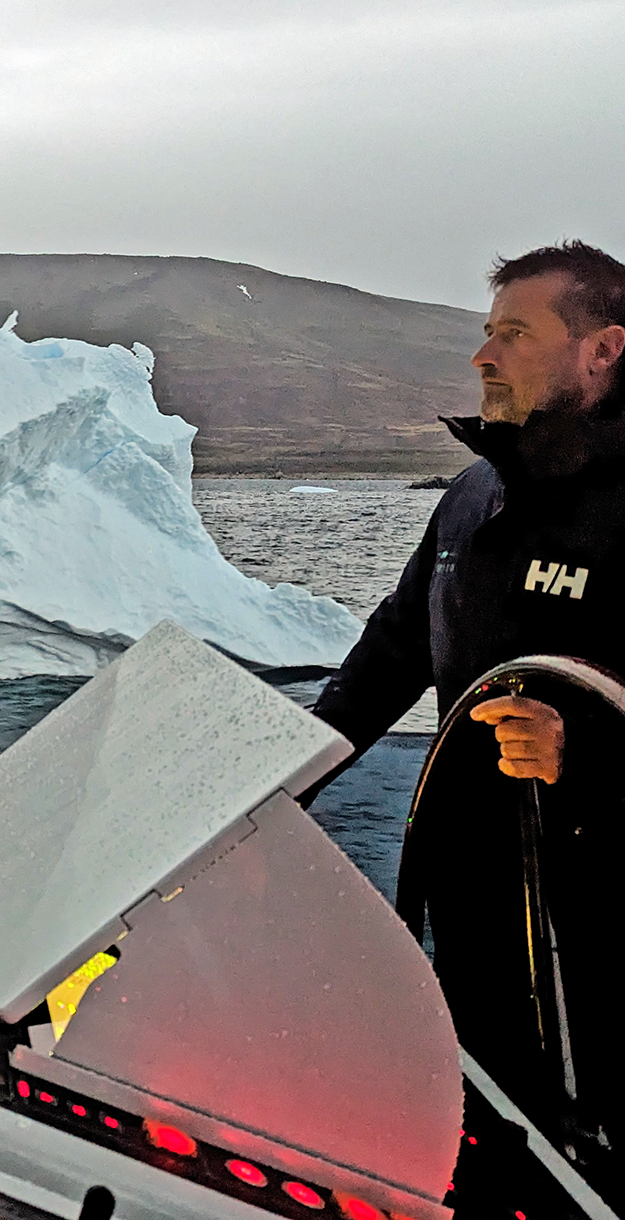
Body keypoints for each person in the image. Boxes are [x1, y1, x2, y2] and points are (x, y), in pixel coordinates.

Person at [310, 240, 625, 1182]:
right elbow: (395, 648)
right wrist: (285, 772)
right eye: (485, 334)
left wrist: (589, 747)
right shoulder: (473, 495)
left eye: (513, 335)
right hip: (475, 888)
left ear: (601, 349)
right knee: (487, 1117)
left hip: (601, 902)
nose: (482, 357)